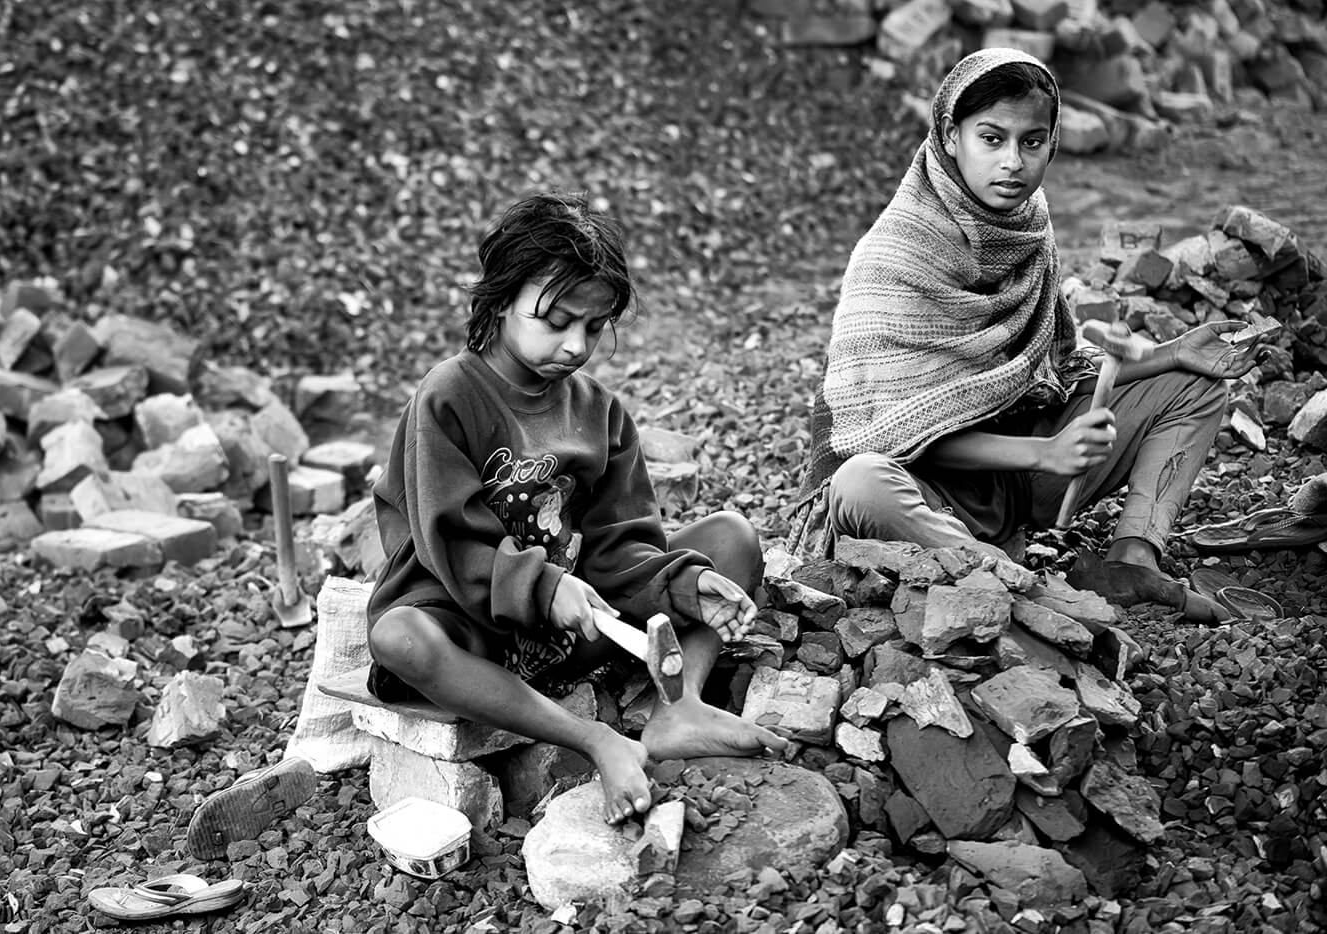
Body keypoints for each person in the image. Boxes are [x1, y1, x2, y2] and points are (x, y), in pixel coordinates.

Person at [792, 48, 1272, 622]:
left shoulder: (1027, 230)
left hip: (1013, 486)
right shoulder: (893, 257)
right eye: (991, 139)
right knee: (859, 482)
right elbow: (894, 433)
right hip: (922, 496)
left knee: (1193, 385)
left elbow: (1053, 372)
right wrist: (1046, 452)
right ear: (950, 136)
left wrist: (1173, 352)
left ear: (1053, 142)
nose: (1013, 162)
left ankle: (1131, 561)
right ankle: (1014, 584)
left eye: (1033, 142)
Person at [365, 191, 786, 826]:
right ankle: (594, 738)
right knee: (398, 637)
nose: (575, 345)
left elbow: (622, 544)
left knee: (731, 538)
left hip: (578, 626)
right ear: (500, 299)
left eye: (593, 326)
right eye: (557, 320)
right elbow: (449, 543)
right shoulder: (449, 397)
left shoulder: (599, 412)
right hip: (474, 626)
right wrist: (544, 587)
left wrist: (682, 585)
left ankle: (680, 707)